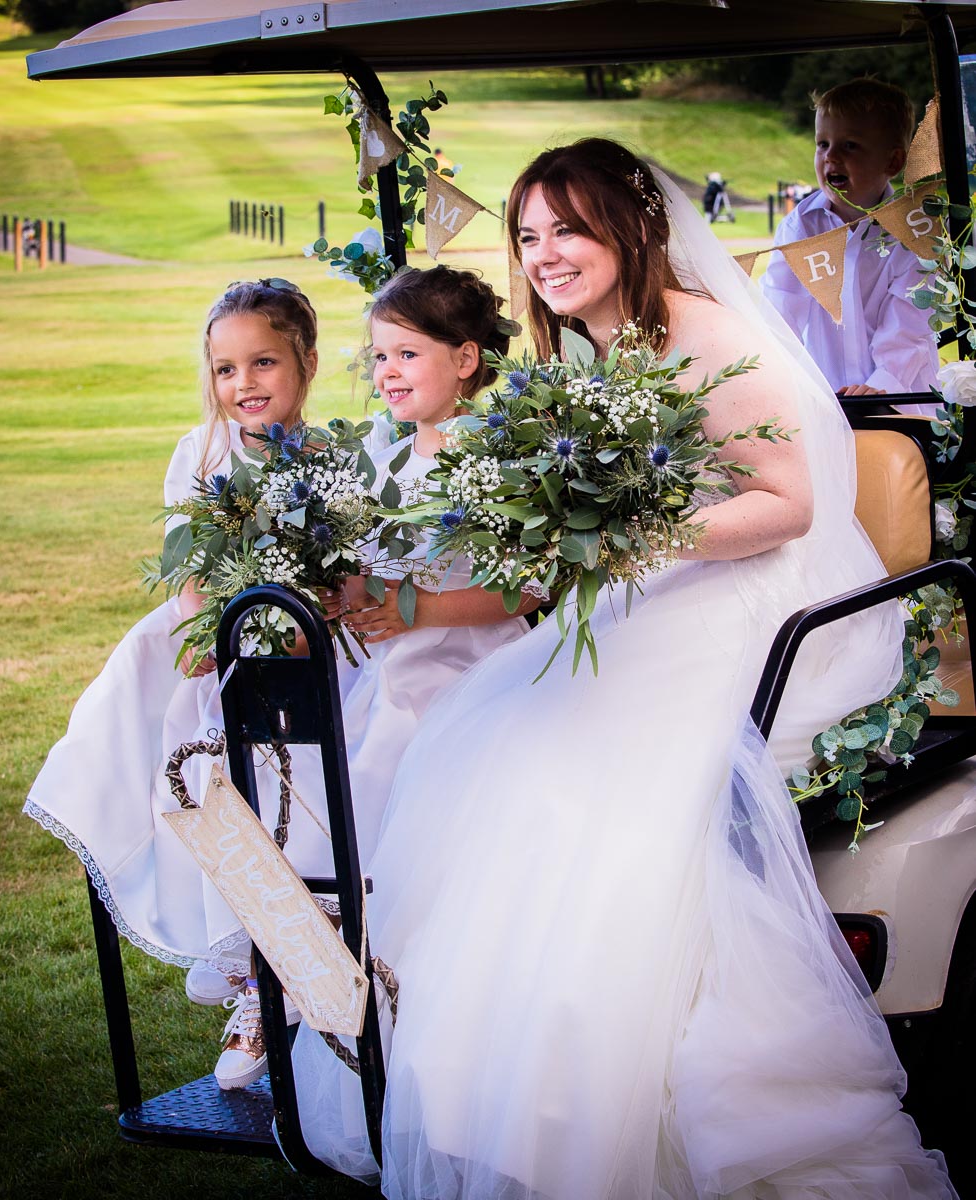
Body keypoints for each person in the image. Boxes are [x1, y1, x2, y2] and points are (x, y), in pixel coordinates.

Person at [288, 139, 957, 1197]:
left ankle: (589, 1097)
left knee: (575, 773)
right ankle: (484, 1092)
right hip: (660, 586)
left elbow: (787, 505)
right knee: (484, 739)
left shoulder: (705, 332)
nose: (544, 254)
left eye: (569, 229)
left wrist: (627, 538)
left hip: (761, 598)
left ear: (632, 228)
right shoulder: (591, 348)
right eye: (528, 235)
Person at [25, 272, 533, 1092]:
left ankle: (294, 966)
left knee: (313, 772)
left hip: (315, 651)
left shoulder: (342, 457)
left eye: (263, 363)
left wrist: (320, 617)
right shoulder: (203, 453)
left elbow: (353, 574)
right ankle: (258, 963)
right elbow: (193, 571)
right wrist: (214, 629)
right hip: (213, 649)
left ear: (305, 362)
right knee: (210, 770)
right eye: (226, 369)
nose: (244, 383)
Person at [761, 78, 940, 410]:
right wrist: (778, 375)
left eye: (850, 146)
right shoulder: (801, 227)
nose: (831, 156)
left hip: (902, 397)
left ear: (892, 163)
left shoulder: (914, 232)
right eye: (822, 144)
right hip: (828, 396)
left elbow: (909, 327)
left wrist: (881, 386)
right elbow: (780, 309)